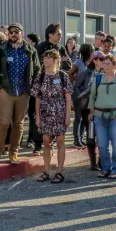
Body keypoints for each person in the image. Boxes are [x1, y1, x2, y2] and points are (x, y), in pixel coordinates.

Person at [0, 22, 41, 165]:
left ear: (21, 34)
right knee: (4, 123)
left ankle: (14, 153)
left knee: (18, 124)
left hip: (23, 92)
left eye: (16, 32)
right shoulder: (2, 49)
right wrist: (0, 86)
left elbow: (37, 68)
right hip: (6, 91)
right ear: (8, 34)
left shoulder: (30, 50)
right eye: (11, 32)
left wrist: (30, 87)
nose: (13, 34)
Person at [88, 53, 116, 179]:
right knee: (102, 144)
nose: (105, 66)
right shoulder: (98, 79)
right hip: (99, 115)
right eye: (104, 63)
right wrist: (91, 112)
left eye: (108, 64)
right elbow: (92, 97)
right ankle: (106, 168)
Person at [32, 50, 73, 183]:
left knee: (60, 142)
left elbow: (68, 98)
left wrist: (68, 117)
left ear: (56, 60)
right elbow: (37, 98)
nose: (45, 60)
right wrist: (37, 117)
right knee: (46, 142)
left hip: (60, 113)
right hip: (45, 113)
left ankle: (59, 172)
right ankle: (46, 171)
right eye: (44, 58)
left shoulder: (63, 76)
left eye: (49, 58)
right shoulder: (40, 76)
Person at [69, 44, 95, 152]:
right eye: (91, 50)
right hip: (78, 92)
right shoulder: (78, 62)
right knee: (78, 117)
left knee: (85, 117)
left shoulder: (91, 62)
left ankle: (82, 137)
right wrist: (75, 79)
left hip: (88, 93)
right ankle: (76, 139)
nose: (93, 51)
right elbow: (70, 74)